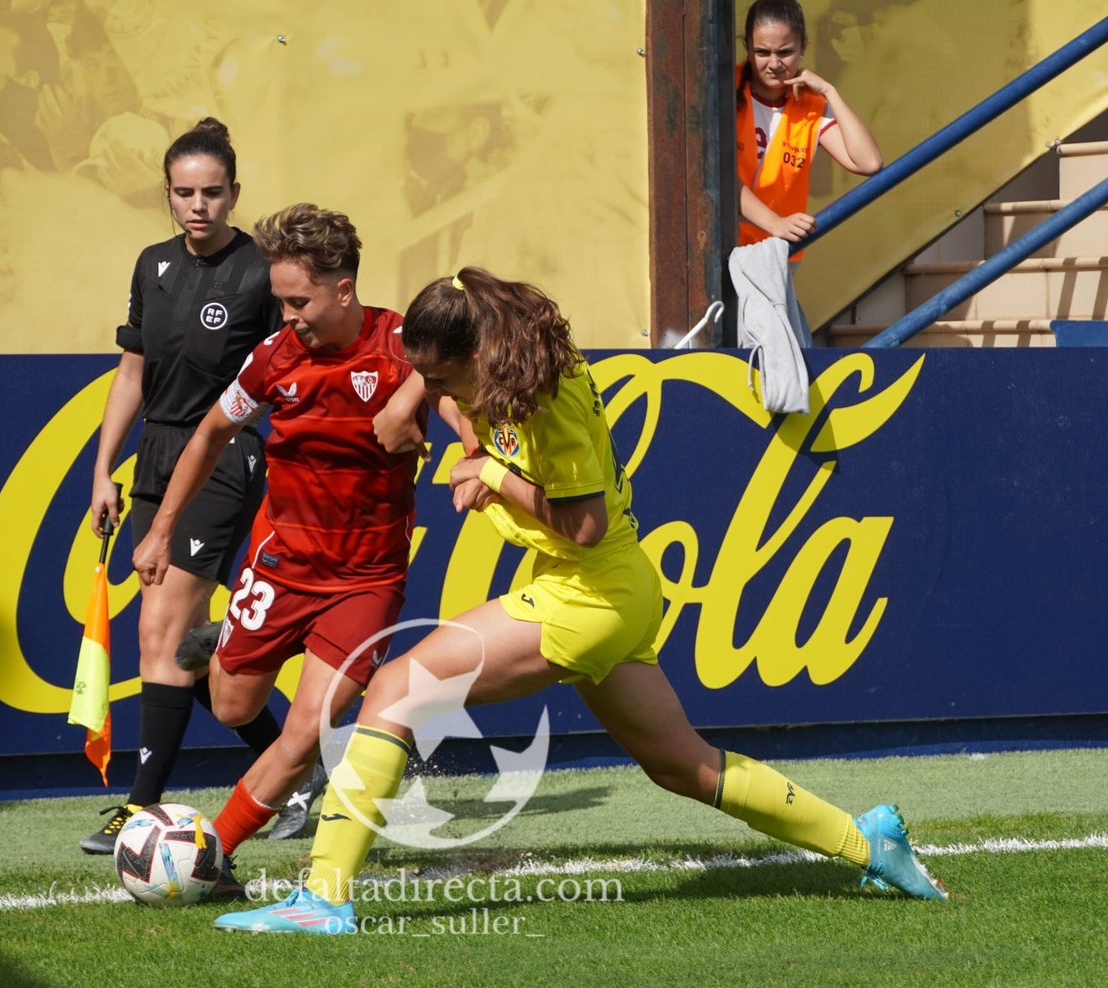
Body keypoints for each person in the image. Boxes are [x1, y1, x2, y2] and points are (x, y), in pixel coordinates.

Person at [214, 267, 948, 934]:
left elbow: (585, 524)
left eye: (442, 380)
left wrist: (490, 475)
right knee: (685, 767)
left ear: (477, 356)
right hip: (604, 586)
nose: (437, 392)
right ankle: (867, 839)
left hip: (589, 589)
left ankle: (324, 897)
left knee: (395, 688)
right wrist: (439, 413)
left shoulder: (545, 402)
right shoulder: (496, 354)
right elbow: (457, 395)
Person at [133, 202, 426, 889]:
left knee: (302, 735)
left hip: (366, 578)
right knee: (233, 706)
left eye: (298, 301)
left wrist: (420, 401)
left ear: (343, 289)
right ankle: (229, 636)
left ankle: (214, 851)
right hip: (283, 562)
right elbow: (209, 433)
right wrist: (160, 529)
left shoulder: (402, 346)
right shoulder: (274, 357)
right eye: (280, 300)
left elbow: (465, 363)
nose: (287, 314)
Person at [80, 118, 292, 855]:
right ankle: (291, 773)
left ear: (234, 194)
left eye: (211, 192)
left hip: (225, 457)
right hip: (156, 458)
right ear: (167, 196)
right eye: (183, 193)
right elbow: (131, 375)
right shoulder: (152, 265)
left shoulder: (264, 272)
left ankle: (141, 810)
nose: (197, 205)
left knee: (161, 631)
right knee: (173, 643)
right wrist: (104, 468)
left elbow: (288, 373)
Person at [735, 0, 882, 254]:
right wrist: (775, 223)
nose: (774, 63)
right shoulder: (723, 90)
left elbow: (868, 162)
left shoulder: (811, 104)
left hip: (778, 253)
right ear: (747, 47)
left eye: (784, 52)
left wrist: (830, 91)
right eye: (762, 52)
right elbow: (719, 178)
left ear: (804, 46)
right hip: (726, 249)